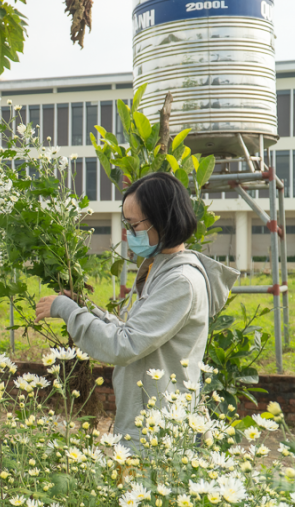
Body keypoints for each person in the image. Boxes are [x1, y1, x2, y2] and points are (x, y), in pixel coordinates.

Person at [35, 172, 239, 445]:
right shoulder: (159, 268)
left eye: (134, 225)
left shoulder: (180, 282)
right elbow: (134, 331)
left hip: (157, 432)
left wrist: (68, 311)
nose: (130, 234)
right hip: (147, 419)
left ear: (162, 219)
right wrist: (85, 308)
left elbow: (125, 345)